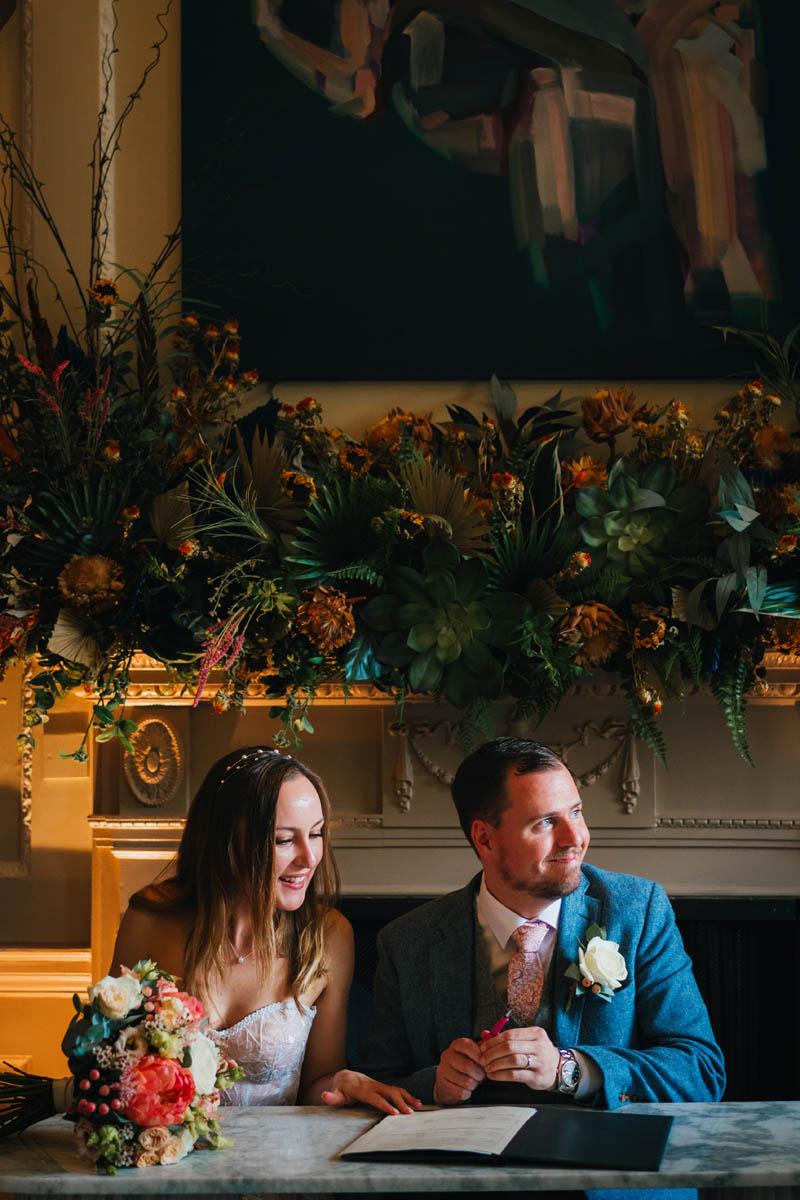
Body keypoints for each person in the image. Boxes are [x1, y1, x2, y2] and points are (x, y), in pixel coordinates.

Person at [359, 736, 725, 1112]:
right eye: (546, 822)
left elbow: (700, 1071)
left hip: (599, 1159)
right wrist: (434, 1083)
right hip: (462, 1161)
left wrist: (570, 1070)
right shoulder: (407, 942)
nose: (575, 839)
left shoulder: (638, 911)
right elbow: (378, 1080)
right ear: (484, 838)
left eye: (577, 812)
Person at [112, 745, 420, 1114]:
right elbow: (111, 1065)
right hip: (169, 1156)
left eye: (317, 834)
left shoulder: (328, 937)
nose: (309, 859)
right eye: (284, 840)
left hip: (280, 1159)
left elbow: (316, 1082)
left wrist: (342, 1081)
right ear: (227, 843)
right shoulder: (149, 921)